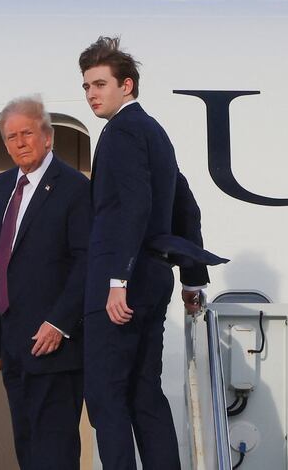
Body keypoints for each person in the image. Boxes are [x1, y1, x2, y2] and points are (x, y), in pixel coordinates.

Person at [79, 37, 227, 469]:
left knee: (106, 395)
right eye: (86, 86)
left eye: (100, 84)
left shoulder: (121, 131)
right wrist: (193, 279)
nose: (91, 94)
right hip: (156, 277)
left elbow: (134, 206)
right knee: (144, 393)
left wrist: (117, 280)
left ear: (127, 86)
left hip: (122, 282)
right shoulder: (156, 132)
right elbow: (187, 206)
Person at [0, 96, 91, 470]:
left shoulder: (74, 187)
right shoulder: (4, 185)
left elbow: (87, 262)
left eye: (27, 133)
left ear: (48, 137)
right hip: (13, 340)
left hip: (54, 343)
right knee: (27, 445)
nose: (19, 143)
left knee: (54, 450)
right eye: (10, 137)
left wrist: (59, 322)